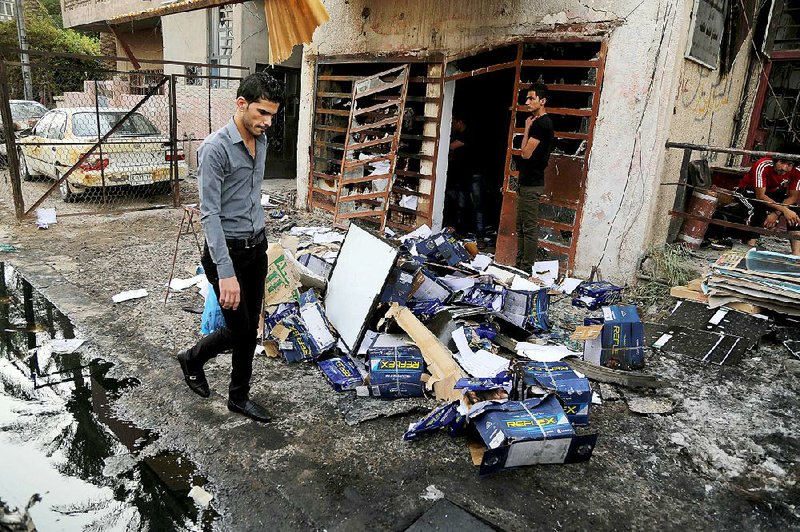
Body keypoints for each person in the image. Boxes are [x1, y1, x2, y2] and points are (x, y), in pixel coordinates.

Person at [176, 72, 284, 423]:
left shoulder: (261, 141)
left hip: (257, 249)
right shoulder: (214, 149)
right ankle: (193, 359)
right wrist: (225, 274)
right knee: (240, 330)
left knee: (249, 327)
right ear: (241, 104)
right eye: (262, 113)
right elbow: (209, 216)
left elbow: (249, 197)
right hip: (228, 255)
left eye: (273, 115)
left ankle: (238, 397)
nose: (267, 122)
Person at [724, 145, 800, 255]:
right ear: (775, 160)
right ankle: (750, 246)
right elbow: (760, 196)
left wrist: (776, 213)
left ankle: (796, 254)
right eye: (781, 162)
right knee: (757, 210)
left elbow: (793, 197)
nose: (784, 168)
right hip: (747, 191)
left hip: (772, 194)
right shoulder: (763, 164)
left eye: (789, 165)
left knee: (796, 212)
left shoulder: (797, 171)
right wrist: (784, 210)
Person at [516, 82, 554, 273]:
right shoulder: (536, 123)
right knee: (521, 227)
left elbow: (525, 154)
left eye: (531, 98)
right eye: (527, 97)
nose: (527, 101)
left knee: (529, 229)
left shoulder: (542, 124)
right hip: (526, 183)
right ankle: (519, 265)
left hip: (532, 185)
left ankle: (525, 268)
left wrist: (526, 129)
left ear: (543, 101)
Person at [448, 113, 486, 237]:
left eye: (453, 123)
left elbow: (451, 147)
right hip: (462, 175)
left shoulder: (469, 134)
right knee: (461, 205)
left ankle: (480, 233)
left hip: (474, 175)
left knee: (478, 205)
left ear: (460, 122)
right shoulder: (458, 135)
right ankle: (462, 231)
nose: (452, 125)